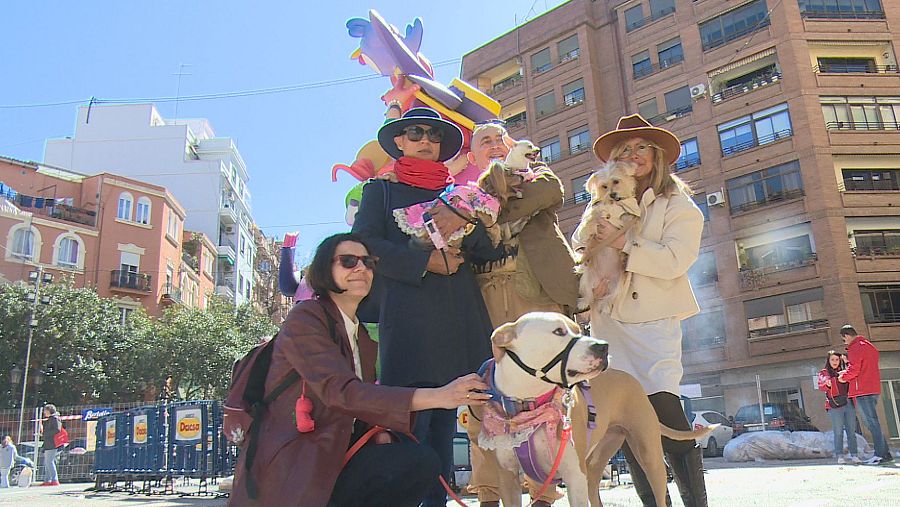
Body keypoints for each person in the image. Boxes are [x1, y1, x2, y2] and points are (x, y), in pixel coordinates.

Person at [227, 233, 491, 507]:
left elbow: (356, 404)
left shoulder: (361, 336)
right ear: (324, 269)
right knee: (415, 461)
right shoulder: (306, 318)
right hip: (296, 460)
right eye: (348, 261)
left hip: (335, 453)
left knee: (417, 460)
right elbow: (341, 393)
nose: (361, 268)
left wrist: (378, 431)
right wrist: (440, 396)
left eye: (368, 262)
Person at [352, 107, 503, 506]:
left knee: (445, 427)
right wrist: (424, 261)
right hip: (409, 325)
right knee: (412, 425)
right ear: (399, 141)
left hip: (459, 321)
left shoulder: (458, 194)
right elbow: (363, 245)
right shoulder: (378, 192)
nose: (425, 141)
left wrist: (477, 218)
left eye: (433, 136)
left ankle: (438, 501)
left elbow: (486, 251)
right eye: (415, 133)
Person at [572, 114, 707, 506]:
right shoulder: (601, 197)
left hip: (653, 322)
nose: (634, 155)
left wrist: (625, 246)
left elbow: (675, 260)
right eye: (625, 150)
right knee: (625, 421)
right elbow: (582, 244)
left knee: (664, 406)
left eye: (641, 147)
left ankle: (697, 502)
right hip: (608, 322)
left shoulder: (677, 203)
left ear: (658, 155)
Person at [466, 122, 579, 507]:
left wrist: (487, 205)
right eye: (486, 141)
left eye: (502, 139)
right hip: (484, 298)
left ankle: (545, 490)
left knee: (548, 392)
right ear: (471, 156)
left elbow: (550, 192)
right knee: (483, 392)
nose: (496, 145)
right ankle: (489, 490)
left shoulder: (537, 174)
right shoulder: (458, 190)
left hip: (539, 294)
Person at [838, 325, 894, 465]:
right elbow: (864, 367)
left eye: (844, 339)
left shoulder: (855, 347)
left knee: (871, 422)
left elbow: (855, 369)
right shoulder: (869, 346)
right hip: (872, 388)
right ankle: (885, 454)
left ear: (847, 335)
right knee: (873, 422)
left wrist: (843, 377)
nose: (844, 342)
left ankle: (880, 455)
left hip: (862, 390)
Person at [818, 351, 861, 464]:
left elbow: (854, 377)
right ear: (828, 361)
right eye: (832, 360)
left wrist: (846, 367)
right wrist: (828, 383)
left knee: (851, 431)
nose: (835, 362)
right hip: (834, 404)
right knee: (838, 432)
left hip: (849, 402)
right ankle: (840, 456)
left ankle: (854, 455)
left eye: (837, 360)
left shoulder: (846, 371)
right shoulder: (824, 372)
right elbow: (821, 386)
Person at [39, 404, 61, 486]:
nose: (44, 412)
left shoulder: (54, 419)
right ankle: (47, 480)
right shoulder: (50, 419)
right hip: (48, 443)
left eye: (45, 410)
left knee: (49, 462)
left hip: (52, 443)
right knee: (47, 462)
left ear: (49, 411)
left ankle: (54, 479)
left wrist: (46, 434)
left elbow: (57, 429)